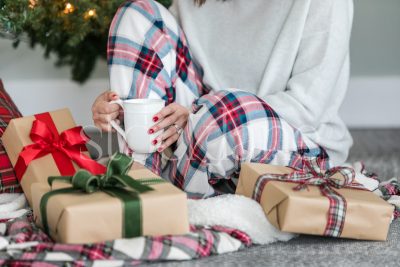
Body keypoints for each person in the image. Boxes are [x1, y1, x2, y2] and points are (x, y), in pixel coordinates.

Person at [92, 0, 354, 198]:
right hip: (201, 137)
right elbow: (164, 62)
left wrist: (197, 112)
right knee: (137, 14)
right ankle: (143, 179)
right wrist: (123, 108)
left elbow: (308, 107)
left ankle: (176, 187)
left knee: (225, 111)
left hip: (293, 142)